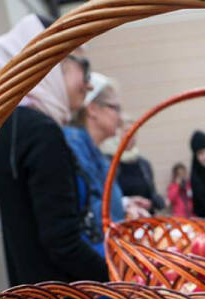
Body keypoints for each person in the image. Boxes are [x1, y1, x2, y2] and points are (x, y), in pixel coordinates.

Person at [0, 15, 110, 288]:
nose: (88, 85)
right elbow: (62, 242)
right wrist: (120, 277)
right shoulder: (40, 131)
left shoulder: (6, 128)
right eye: (84, 68)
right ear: (52, 62)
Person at [64, 73, 151, 258]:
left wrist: (124, 205)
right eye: (115, 108)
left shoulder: (95, 153)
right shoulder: (75, 147)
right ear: (93, 109)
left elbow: (101, 199)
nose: (120, 118)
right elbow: (90, 215)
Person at [101, 118, 166, 214]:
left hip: (143, 218)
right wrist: (127, 202)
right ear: (118, 133)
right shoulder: (108, 162)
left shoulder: (144, 164)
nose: (130, 135)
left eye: (134, 132)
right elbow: (104, 196)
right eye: (126, 131)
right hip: (120, 219)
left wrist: (152, 202)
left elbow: (152, 194)